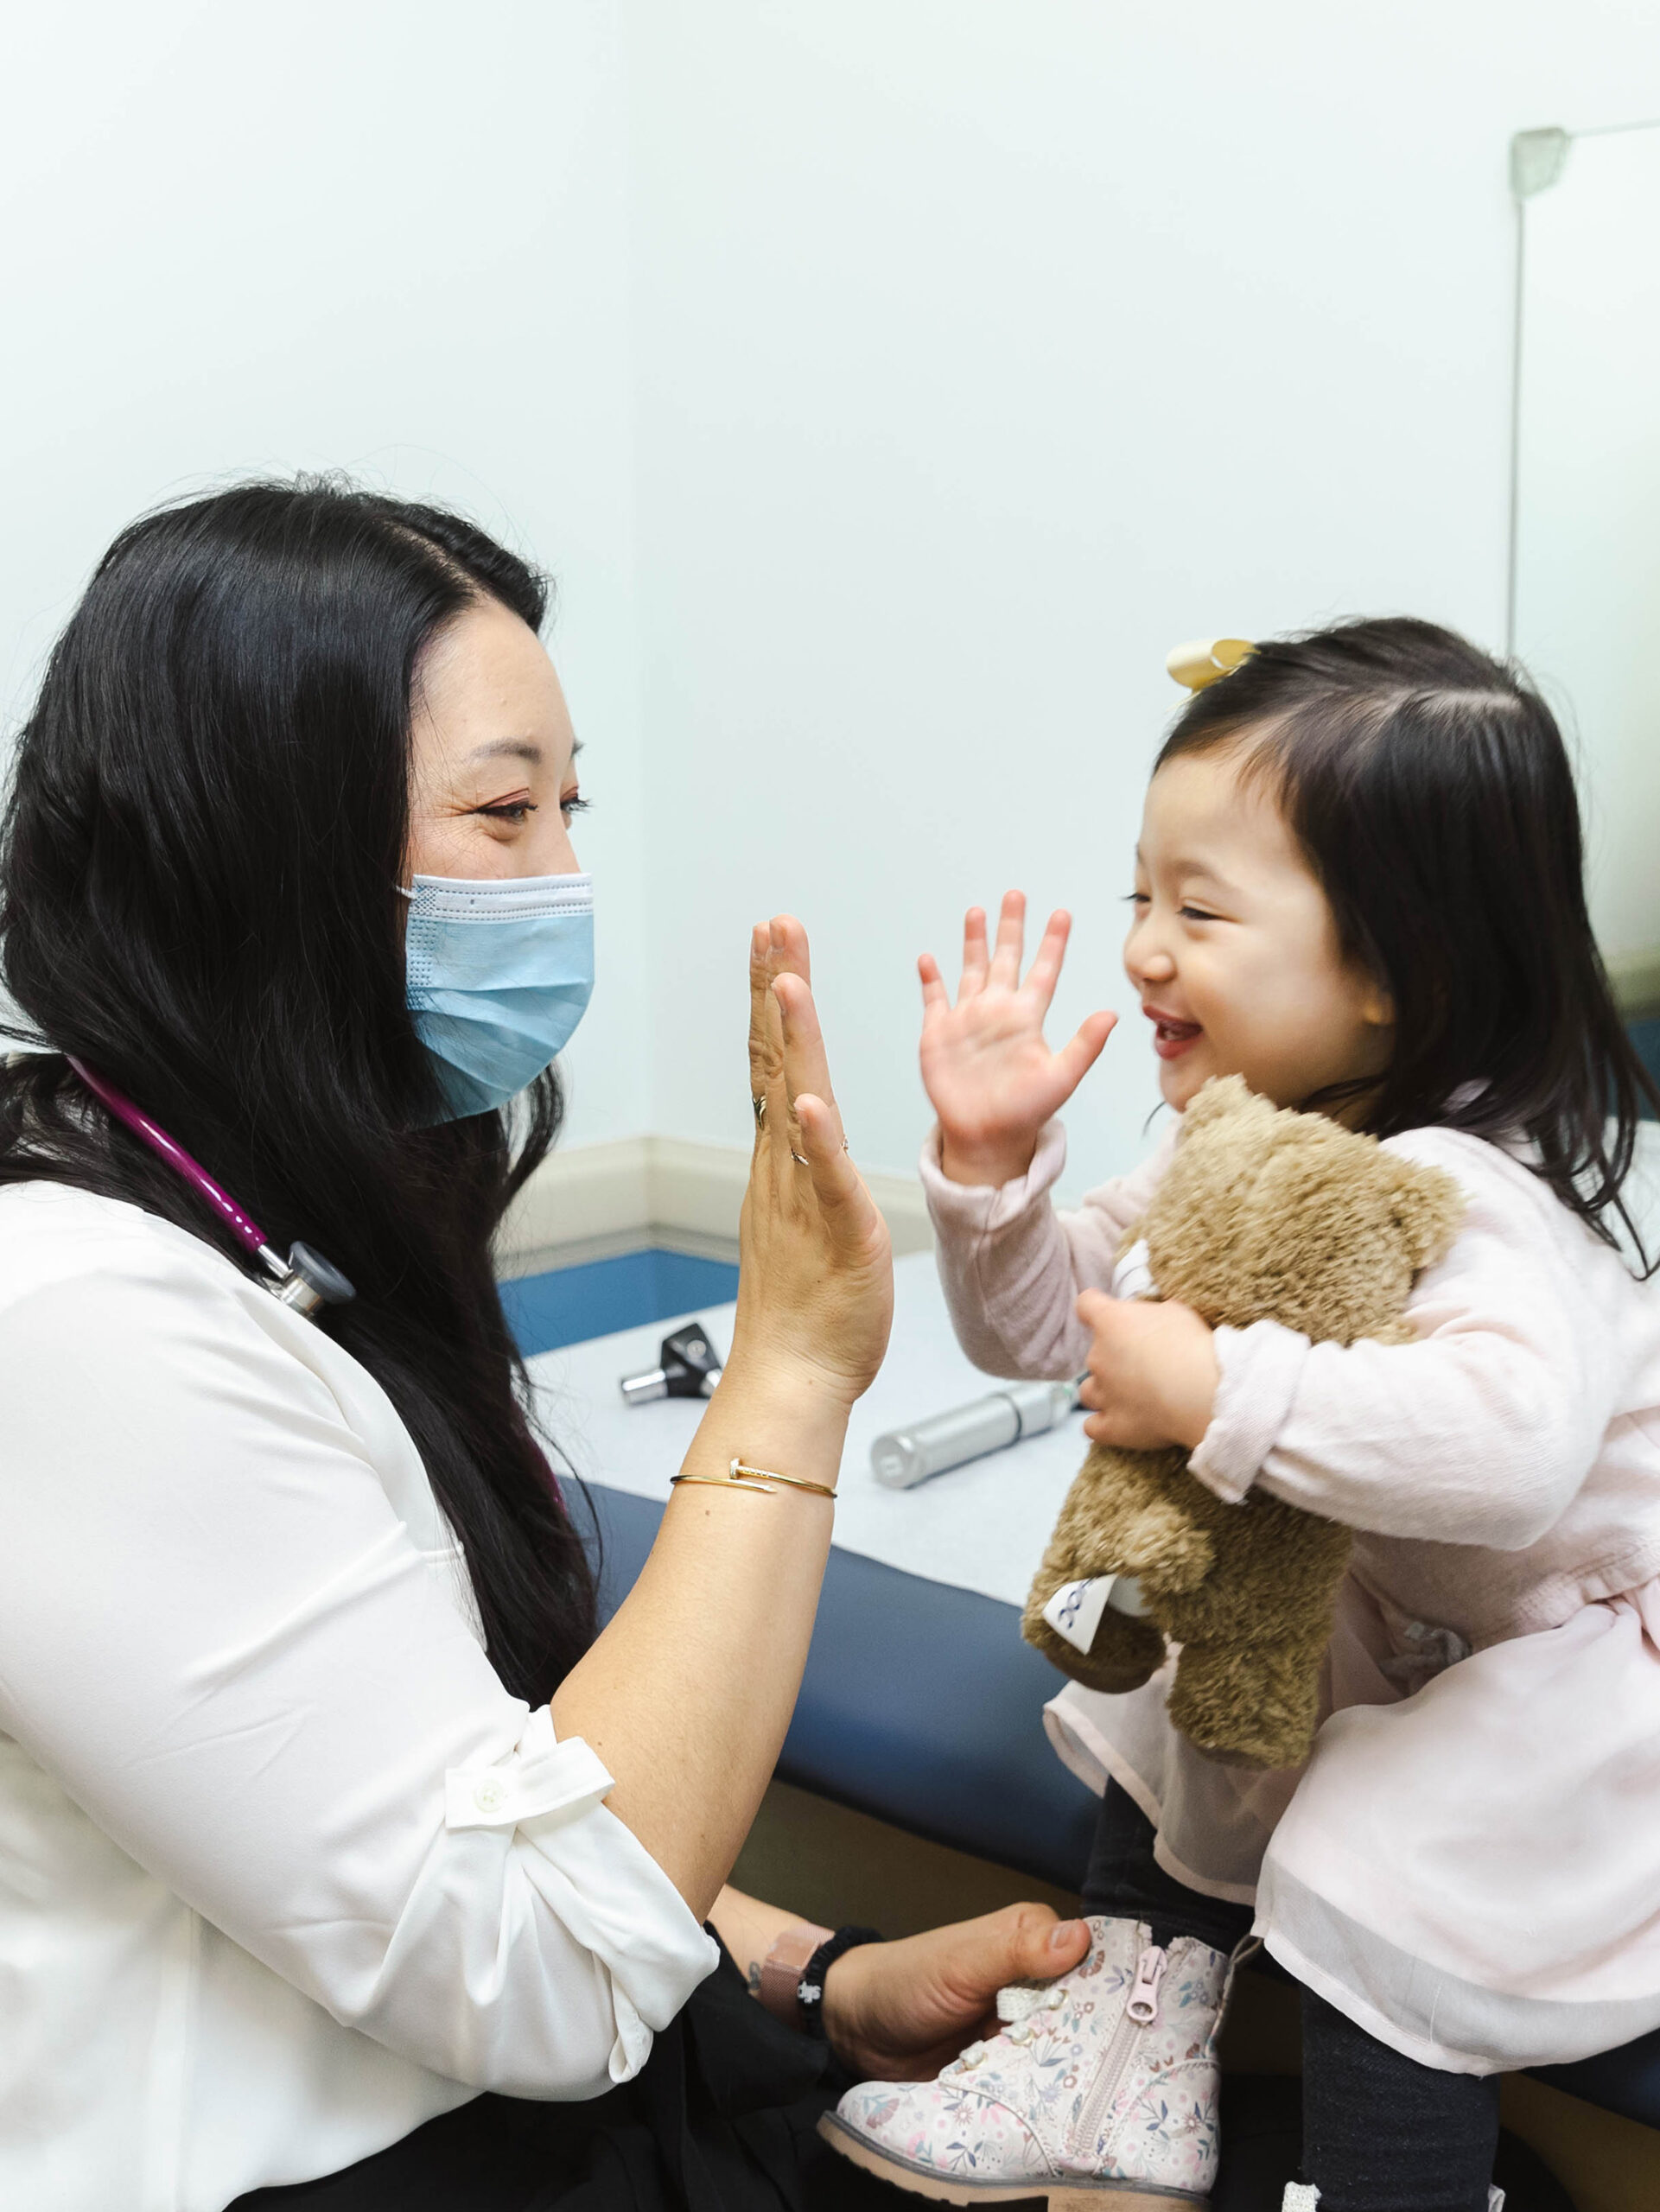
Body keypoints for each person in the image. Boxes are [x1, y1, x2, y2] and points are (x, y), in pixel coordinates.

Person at [0, 479, 1094, 2212]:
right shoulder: (75, 1327)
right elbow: (543, 1971)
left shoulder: (276, 1217)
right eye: (503, 811)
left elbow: (438, 1771)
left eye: (568, 807)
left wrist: (813, 1970)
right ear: (252, 840)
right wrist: (790, 1372)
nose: (562, 881)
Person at [821, 620, 1660, 2212]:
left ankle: (1392, 2190)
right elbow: (1039, 1333)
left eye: (1198, 910)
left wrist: (1216, 1388)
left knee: (1375, 1880)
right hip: (1406, 1601)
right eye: (1143, 893)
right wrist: (994, 1179)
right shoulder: (1239, 1127)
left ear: (1398, 968)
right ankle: (1127, 2076)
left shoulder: (1480, 1188)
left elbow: (1507, 1450)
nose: (1143, 947)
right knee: (1171, 1688)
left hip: (1578, 1664)